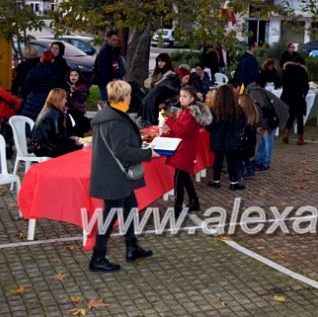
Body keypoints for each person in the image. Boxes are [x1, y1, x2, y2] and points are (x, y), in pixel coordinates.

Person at [89, 80, 158, 272]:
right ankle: (98, 256)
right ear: (123, 97)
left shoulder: (108, 114)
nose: (130, 97)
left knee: (130, 206)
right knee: (109, 216)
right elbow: (121, 150)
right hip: (115, 175)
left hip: (112, 173)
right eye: (128, 94)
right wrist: (148, 154)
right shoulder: (116, 120)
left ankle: (131, 246)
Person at [163, 85, 212, 218]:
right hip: (182, 147)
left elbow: (183, 130)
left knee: (178, 179)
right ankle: (194, 200)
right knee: (184, 177)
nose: (181, 99)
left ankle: (177, 208)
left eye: (185, 96)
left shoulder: (191, 112)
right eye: (181, 96)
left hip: (186, 149)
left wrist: (170, 122)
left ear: (192, 98)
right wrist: (172, 127)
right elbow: (180, 128)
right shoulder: (186, 111)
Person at [206, 84, 246, 190]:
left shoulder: (213, 110)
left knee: (218, 161)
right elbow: (243, 124)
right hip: (233, 140)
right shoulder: (238, 110)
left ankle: (216, 181)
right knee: (232, 162)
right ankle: (234, 182)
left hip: (218, 139)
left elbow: (209, 126)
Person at [246, 82, 289, 172]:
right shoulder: (253, 92)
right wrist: (258, 126)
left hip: (273, 117)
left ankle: (265, 164)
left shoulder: (254, 93)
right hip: (270, 116)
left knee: (268, 141)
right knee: (262, 140)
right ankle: (258, 161)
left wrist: (265, 127)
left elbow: (264, 111)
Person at [29, 88, 83, 158]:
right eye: (64, 99)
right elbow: (58, 136)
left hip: (37, 146)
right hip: (45, 148)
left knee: (73, 145)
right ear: (59, 100)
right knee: (78, 147)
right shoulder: (56, 113)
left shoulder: (47, 110)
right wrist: (73, 140)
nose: (66, 101)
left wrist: (71, 138)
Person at [20, 51, 63, 120]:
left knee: (28, 121)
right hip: (49, 99)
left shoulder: (33, 71)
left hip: (32, 99)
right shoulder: (57, 72)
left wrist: (24, 96)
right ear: (52, 60)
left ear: (41, 59)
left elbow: (26, 86)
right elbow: (60, 87)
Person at [281, 54, 310, 145]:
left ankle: (286, 135)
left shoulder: (286, 69)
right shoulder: (302, 71)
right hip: (297, 97)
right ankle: (300, 139)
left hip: (287, 96)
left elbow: (283, 83)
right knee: (300, 117)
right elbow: (306, 86)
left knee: (291, 116)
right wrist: (303, 94)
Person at [92, 30, 126, 101]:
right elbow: (102, 70)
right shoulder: (104, 52)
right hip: (106, 84)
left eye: (117, 40)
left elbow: (119, 66)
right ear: (108, 39)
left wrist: (120, 75)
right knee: (108, 104)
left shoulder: (115, 51)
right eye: (113, 40)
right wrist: (111, 80)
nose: (116, 42)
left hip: (115, 83)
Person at [238, 93, 261, 178]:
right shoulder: (253, 112)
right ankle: (251, 171)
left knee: (240, 157)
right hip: (251, 141)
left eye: (239, 101)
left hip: (244, 140)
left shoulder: (243, 115)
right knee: (247, 157)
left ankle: (240, 173)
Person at [66, 69, 91, 137]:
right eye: (71, 75)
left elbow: (82, 98)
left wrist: (74, 92)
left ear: (79, 76)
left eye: (75, 75)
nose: (73, 77)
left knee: (80, 126)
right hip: (70, 109)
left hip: (78, 109)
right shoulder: (68, 86)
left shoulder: (83, 86)